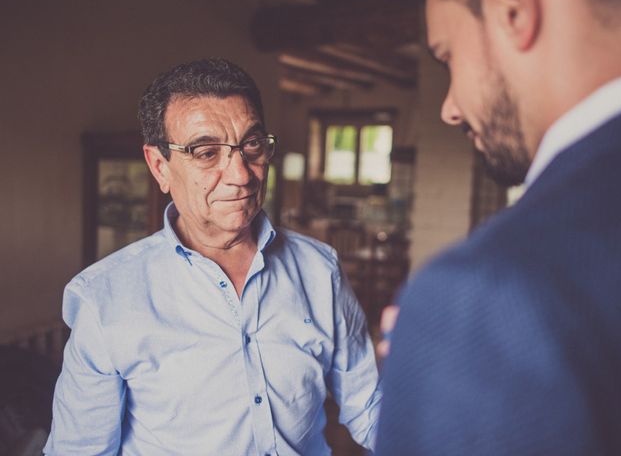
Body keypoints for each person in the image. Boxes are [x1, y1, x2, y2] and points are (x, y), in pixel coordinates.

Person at [44, 58, 380, 455]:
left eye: (251, 145)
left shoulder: (320, 269)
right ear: (159, 166)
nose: (240, 174)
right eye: (206, 152)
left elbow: (371, 406)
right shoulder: (104, 298)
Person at [377, 0, 621, 454]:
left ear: (512, 5)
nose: (449, 109)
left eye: (447, 55)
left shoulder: (486, 300)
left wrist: (445, 345)